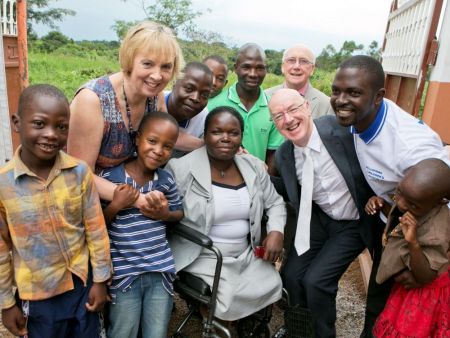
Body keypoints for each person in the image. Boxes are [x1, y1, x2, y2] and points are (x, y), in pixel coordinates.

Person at [330, 55, 450, 337]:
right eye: (337, 91)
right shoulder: (355, 118)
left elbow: (443, 188)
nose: (341, 100)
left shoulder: (412, 147)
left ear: (377, 97)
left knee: (408, 315)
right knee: (378, 299)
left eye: (354, 93)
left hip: (420, 239)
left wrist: (432, 265)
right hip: (389, 222)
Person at [0, 84, 112, 338]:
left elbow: (96, 230)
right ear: (17, 123)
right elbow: (2, 251)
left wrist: (100, 280)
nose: (51, 134)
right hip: (39, 296)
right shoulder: (3, 184)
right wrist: (6, 303)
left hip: (82, 285)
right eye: (40, 124)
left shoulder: (80, 172)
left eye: (61, 127)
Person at [269, 88, 378, 338]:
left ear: (307, 107)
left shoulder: (340, 130)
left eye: (293, 109)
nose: (288, 119)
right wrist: (254, 170)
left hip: (353, 221)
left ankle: (323, 335)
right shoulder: (285, 154)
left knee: (316, 282)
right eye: (278, 116)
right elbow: (287, 190)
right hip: (317, 219)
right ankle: (299, 331)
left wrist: (381, 194)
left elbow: (377, 157)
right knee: (292, 275)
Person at [165, 106, 286, 321]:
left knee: (273, 284)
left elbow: (275, 202)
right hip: (203, 255)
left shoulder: (254, 167)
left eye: (233, 133)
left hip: (245, 253)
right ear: (205, 134)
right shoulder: (180, 169)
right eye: (217, 132)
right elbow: (168, 216)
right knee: (229, 296)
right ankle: (214, 324)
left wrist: (276, 231)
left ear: (241, 135)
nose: (225, 138)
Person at [68, 21, 199, 207]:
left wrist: (206, 145)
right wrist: (137, 199)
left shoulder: (154, 96)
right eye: (148, 64)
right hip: (85, 202)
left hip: (124, 199)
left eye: (166, 67)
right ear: (130, 60)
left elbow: (169, 137)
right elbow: (79, 174)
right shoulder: (93, 100)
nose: (157, 75)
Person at [99, 112, 183, 338]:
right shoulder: (109, 177)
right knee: (123, 331)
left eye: (167, 146)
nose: (158, 150)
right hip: (125, 275)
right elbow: (96, 225)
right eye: (152, 141)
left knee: (156, 332)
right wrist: (116, 205)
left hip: (159, 270)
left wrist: (164, 214)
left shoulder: (166, 180)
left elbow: (178, 213)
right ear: (137, 138)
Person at [367, 159, 450, 337]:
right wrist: (380, 202)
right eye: (399, 192)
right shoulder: (417, 199)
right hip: (405, 284)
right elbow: (400, 210)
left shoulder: (437, 230)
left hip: (424, 294)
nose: (402, 204)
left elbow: (425, 275)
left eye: (412, 205)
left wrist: (413, 242)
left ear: (440, 202)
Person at [207, 43, 284, 170]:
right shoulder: (213, 104)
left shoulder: (274, 108)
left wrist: (266, 183)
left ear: (266, 70)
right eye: (246, 67)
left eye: (259, 68)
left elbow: (272, 154)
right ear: (236, 68)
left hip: (256, 183)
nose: (253, 74)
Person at [265, 44, 333, 118]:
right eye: (291, 60)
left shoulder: (327, 105)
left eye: (303, 61)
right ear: (283, 67)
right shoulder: (265, 97)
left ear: (312, 69)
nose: (296, 66)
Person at [165, 62, 212, 157]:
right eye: (189, 89)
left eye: (205, 95)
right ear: (174, 82)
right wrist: (205, 145)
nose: (195, 98)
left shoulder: (204, 118)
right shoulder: (152, 101)